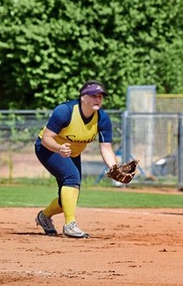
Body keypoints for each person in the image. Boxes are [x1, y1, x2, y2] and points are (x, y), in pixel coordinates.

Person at [34, 81, 120, 238]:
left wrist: (114, 167)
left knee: (69, 198)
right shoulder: (65, 111)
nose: (98, 99)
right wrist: (59, 148)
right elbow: (47, 138)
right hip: (47, 148)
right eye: (94, 95)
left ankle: (44, 216)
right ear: (82, 97)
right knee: (72, 178)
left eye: (100, 96)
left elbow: (106, 147)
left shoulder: (102, 119)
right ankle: (69, 225)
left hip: (71, 153)